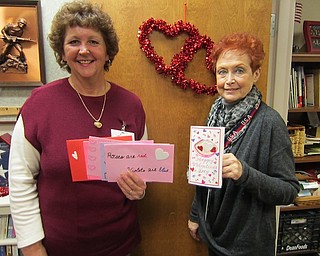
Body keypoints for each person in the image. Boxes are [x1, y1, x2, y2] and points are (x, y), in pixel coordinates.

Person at [9, 1, 147, 256]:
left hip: (121, 245)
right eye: (74, 42)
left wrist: (139, 188)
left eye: (94, 41)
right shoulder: (39, 105)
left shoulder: (131, 105)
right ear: (62, 52)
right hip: (56, 248)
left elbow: (140, 170)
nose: (84, 50)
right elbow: (20, 181)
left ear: (108, 51)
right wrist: (31, 246)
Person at [187, 32, 300, 256]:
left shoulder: (269, 122)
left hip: (250, 247)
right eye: (222, 72)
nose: (229, 80)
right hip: (214, 236)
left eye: (239, 70)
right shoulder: (214, 116)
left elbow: (289, 191)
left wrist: (244, 173)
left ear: (255, 73)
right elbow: (205, 175)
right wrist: (195, 214)